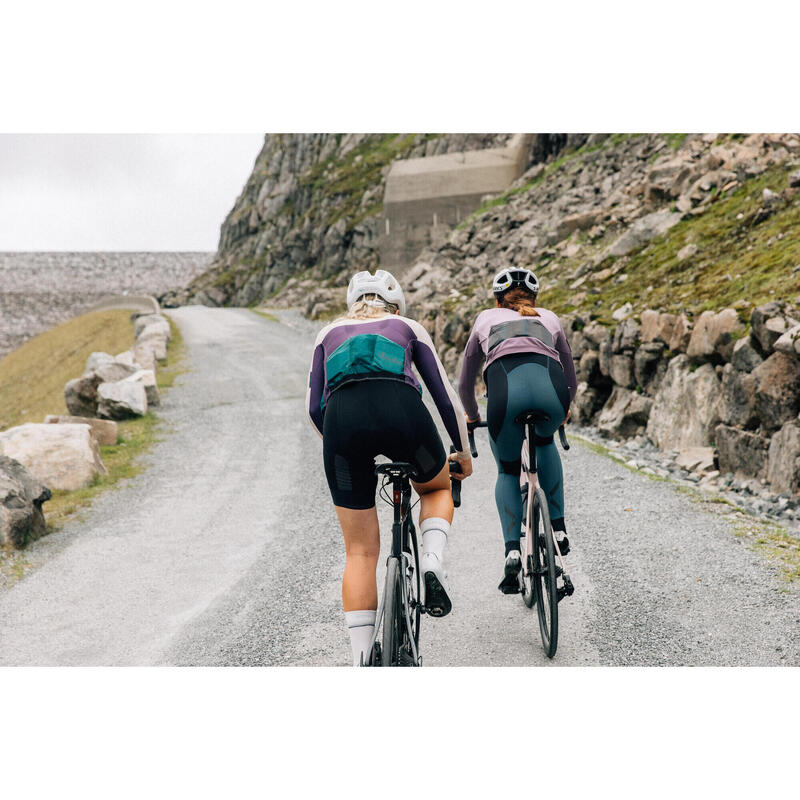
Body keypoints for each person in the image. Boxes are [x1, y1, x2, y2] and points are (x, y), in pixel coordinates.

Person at [307, 269, 472, 666]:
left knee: (360, 552)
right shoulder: (407, 326)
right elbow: (445, 398)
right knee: (435, 489)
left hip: (342, 428)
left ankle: (362, 658)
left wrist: (342, 446)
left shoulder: (327, 334)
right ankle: (431, 561)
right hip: (403, 415)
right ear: (394, 304)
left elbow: (314, 409)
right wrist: (463, 455)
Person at [457, 268, 576, 593]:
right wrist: (565, 409)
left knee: (508, 471)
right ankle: (560, 529)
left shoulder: (485, 318)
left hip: (505, 397)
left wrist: (471, 414)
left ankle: (512, 550)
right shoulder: (549, 317)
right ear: (534, 298)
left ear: (498, 299)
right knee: (544, 439)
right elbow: (570, 373)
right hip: (551, 392)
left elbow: (465, 380)